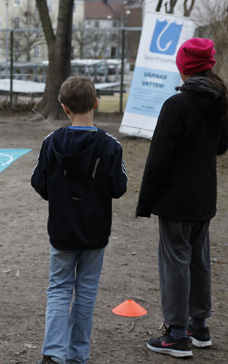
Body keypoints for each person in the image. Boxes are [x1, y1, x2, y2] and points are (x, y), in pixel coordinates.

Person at [136, 38, 228, 358]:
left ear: (182, 67)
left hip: (176, 200)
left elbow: (158, 158)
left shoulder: (177, 105)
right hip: (204, 197)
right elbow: (220, 146)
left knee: (176, 261)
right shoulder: (220, 99)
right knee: (198, 259)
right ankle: (198, 326)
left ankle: (176, 334)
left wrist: (145, 202)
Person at [31, 75, 128, 364]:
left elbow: (39, 183)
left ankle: (53, 354)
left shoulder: (52, 142)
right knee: (85, 291)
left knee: (60, 289)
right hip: (94, 231)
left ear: (64, 108)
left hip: (63, 229)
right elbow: (119, 187)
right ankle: (76, 356)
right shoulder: (110, 145)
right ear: (96, 103)